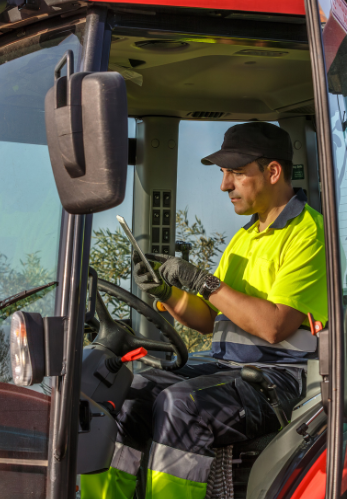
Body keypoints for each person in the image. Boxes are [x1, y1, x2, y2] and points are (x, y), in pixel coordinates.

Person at [81, 122, 328, 498]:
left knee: (183, 406)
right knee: (131, 390)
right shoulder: (245, 237)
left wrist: (203, 283)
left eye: (236, 173)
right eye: (223, 173)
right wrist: (166, 292)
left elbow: (273, 326)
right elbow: (212, 319)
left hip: (281, 378)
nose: (224, 185)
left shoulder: (309, 233)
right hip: (230, 366)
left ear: (274, 171)